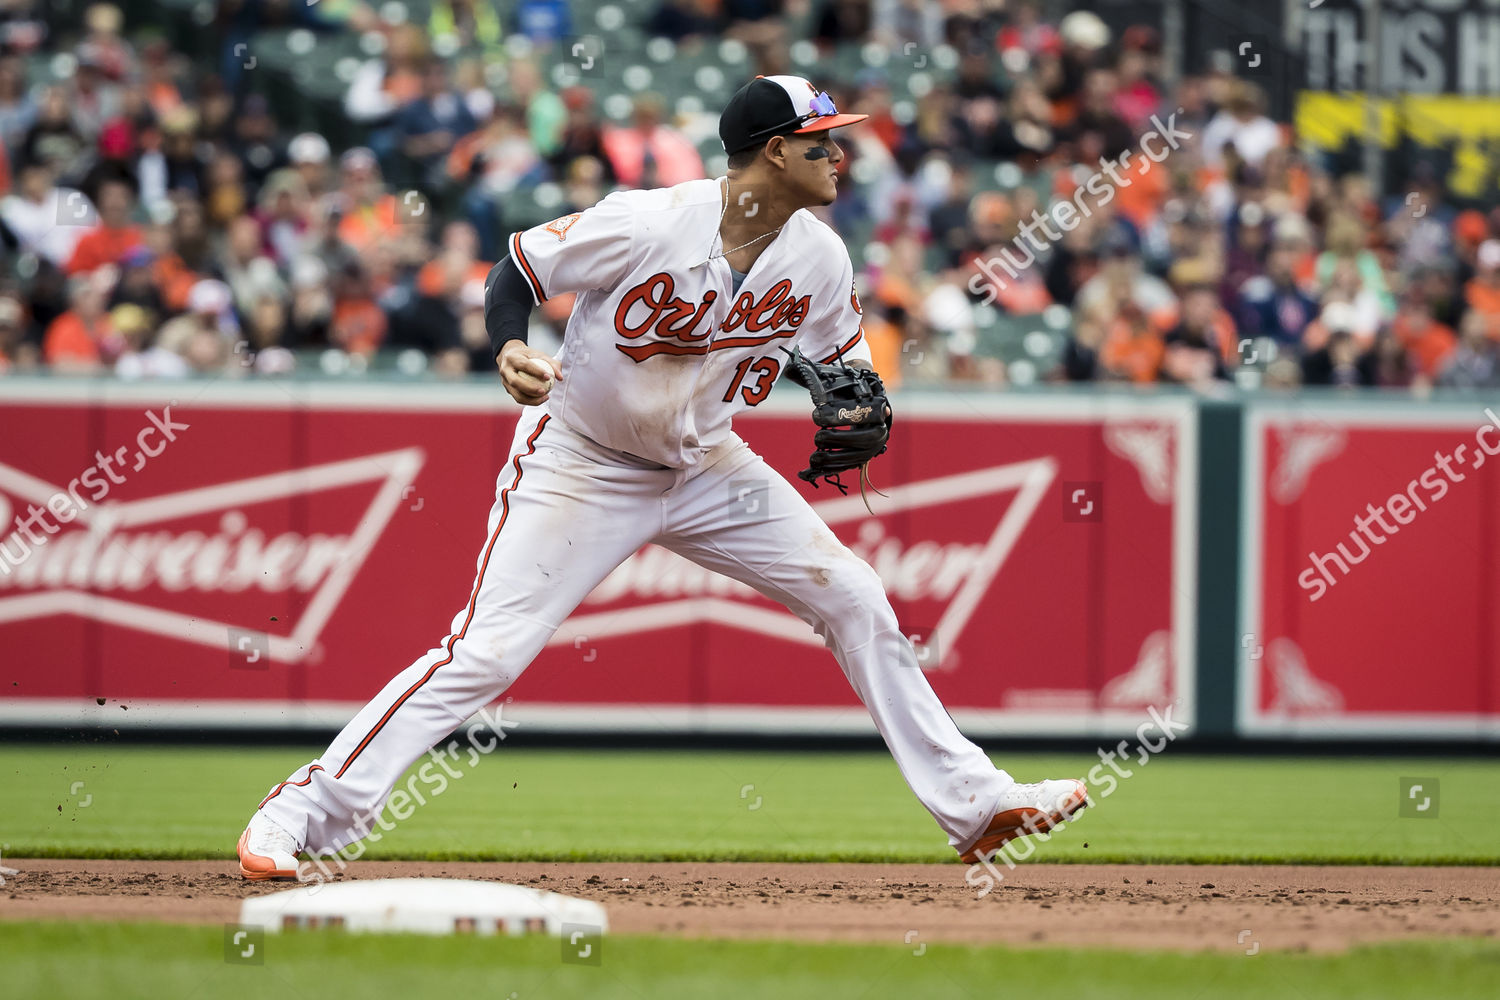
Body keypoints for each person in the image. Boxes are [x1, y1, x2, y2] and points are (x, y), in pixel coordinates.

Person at [237, 75, 1086, 881]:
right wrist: (506, 343)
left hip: (710, 464)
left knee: (855, 595)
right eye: (821, 143)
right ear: (772, 153)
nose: (840, 158)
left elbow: (841, 362)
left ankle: (975, 806)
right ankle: (301, 812)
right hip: (583, 457)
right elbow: (520, 268)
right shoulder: (649, 221)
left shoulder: (821, 257)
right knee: (486, 652)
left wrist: (859, 402)